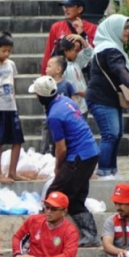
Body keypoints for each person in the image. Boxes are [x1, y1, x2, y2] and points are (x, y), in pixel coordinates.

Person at [31, 76, 100, 247]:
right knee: (75, 198)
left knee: (54, 194)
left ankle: (42, 234)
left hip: (79, 157)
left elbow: (61, 148)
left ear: (41, 97)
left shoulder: (54, 115)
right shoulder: (65, 101)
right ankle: (90, 235)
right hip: (90, 153)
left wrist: (58, 167)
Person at [86, 14, 129, 178]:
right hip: (101, 99)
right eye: (124, 28)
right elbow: (118, 69)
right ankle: (104, 171)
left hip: (107, 98)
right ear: (113, 29)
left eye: (128, 28)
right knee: (110, 133)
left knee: (116, 134)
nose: (127, 31)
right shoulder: (110, 50)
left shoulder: (105, 48)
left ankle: (111, 170)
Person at [0, 31, 25, 184]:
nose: (7, 54)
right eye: (4, 51)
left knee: (17, 140)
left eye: (9, 51)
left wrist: (14, 104)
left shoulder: (11, 65)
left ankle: (12, 172)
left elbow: (12, 85)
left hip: (11, 107)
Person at [41, 0, 98, 77]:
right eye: (64, 6)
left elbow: (93, 53)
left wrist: (82, 34)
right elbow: (49, 52)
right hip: (61, 73)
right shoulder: (56, 27)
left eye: (70, 6)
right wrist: (44, 75)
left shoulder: (92, 28)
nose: (66, 9)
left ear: (80, 9)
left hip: (84, 73)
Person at [53, 35, 93, 115]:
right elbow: (62, 87)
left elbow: (89, 53)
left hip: (82, 106)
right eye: (74, 50)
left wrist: (81, 39)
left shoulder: (76, 62)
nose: (77, 53)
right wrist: (77, 92)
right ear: (66, 51)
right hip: (71, 109)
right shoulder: (61, 68)